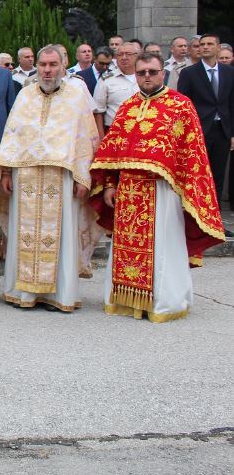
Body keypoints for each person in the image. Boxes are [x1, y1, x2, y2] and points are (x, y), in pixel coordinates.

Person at [90, 52, 224, 322]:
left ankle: (164, 303)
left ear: (163, 73)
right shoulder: (127, 107)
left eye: (152, 71)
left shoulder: (181, 106)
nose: (147, 77)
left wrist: (185, 190)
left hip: (163, 191)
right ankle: (125, 299)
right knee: (126, 248)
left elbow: (193, 155)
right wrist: (109, 184)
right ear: (136, 75)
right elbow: (112, 151)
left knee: (164, 248)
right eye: (141, 73)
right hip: (128, 192)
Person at [0, 46, 101, 312]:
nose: (47, 70)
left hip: (61, 178)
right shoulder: (25, 95)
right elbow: (12, 135)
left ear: (63, 66)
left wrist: (83, 178)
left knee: (61, 235)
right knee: (24, 234)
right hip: (25, 177)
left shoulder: (76, 97)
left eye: (53, 64)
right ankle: (24, 292)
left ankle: (58, 295)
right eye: (43, 64)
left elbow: (86, 139)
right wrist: (5, 172)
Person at [176, 33, 234, 211]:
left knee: (218, 174)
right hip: (199, 131)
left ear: (218, 48)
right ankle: (198, 213)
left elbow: (231, 103)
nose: (206, 47)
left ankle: (215, 215)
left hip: (222, 130)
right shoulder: (189, 73)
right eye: (202, 44)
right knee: (199, 173)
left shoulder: (229, 72)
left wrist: (232, 133)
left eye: (210, 44)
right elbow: (183, 105)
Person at [93, 41, 139, 138]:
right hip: (115, 132)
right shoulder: (106, 79)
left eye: (128, 54)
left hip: (142, 130)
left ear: (137, 56)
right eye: (120, 54)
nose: (124, 57)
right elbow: (98, 112)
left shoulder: (145, 76)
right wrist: (101, 138)